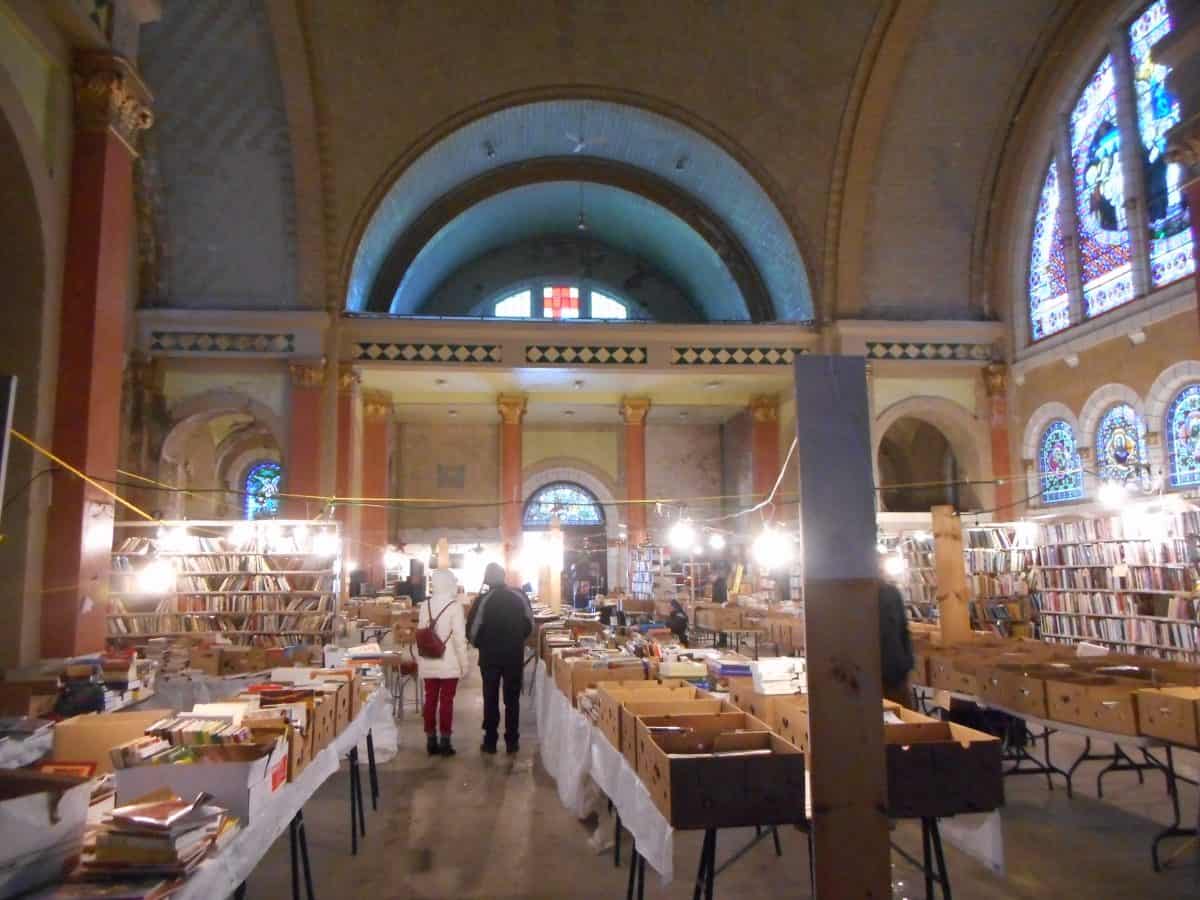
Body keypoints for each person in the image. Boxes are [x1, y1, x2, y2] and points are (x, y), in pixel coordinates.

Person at [468, 562, 533, 754]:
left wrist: (482, 645)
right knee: (512, 699)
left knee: (490, 698)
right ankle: (512, 741)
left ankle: (490, 742)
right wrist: (517, 640)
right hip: (513, 656)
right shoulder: (519, 596)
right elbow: (530, 624)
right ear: (503, 577)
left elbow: (472, 630)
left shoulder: (483, 600)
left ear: (488, 579)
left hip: (490, 658)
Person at [417, 569, 470, 756]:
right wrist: (464, 665)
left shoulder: (425, 605)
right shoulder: (454, 607)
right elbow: (459, 639)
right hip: (449, 662)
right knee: (446, 701)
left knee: (430, 699)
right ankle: (445, 742)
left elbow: (421, 634)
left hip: (429, 659)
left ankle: (430, 740)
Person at [878, 579, 914, 707]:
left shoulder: (891, 593)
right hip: (871, 678)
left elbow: (904, 630)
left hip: (897, 675)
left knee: (904, 719)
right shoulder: (856, 598)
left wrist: (907, 664)